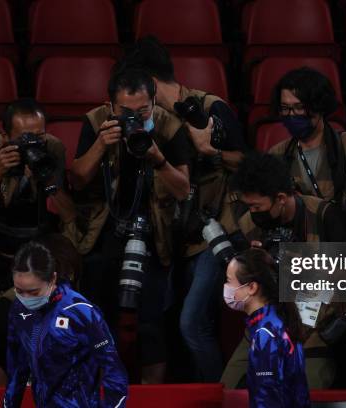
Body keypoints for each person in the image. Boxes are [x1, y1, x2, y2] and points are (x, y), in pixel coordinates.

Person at [123, 36, 247, 381]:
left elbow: (250, 163)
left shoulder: (209, 108)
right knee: (167, 321)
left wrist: (211, 152)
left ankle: (216, 396)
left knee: (192, 322)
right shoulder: (151, 121)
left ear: (149, 79)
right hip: (172, 234)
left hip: (214, 231)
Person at [70, 67, 191, 383]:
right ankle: (100, 389)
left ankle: (153, 396)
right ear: (110, 107)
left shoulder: (170, 126)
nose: (135, 118)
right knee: (97, 317)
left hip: (154, 230)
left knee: (151, 322)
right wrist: (100, 145)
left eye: (143, 110)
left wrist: (158, 158)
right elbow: (77, 180)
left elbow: (183, 190)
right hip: (105, 229)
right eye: (126, 112)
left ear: (153, 102)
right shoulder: (94, 122)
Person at [221, 153, 346, 390]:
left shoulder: (324, 215)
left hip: (315, 323)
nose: (253, 212)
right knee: (227, 390)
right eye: (249, 205)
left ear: (281, 198)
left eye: (257, 206)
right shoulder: (250, 223)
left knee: (306, 390)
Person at [0, 98, 74, 325]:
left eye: (38, 137)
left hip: (30, 238)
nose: (33, 144)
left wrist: (48, 179)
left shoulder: (52, 149)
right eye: (24, 139)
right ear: (5, 137)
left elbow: (69, 215)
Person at [4, 241, 128, 407]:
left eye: (34, 292)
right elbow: (17, 371)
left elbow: (114, 372)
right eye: (19, 290)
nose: (26, 298)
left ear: (52, 279)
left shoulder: (81, 312)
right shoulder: (18, 310)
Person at [268, 67, 346, 201]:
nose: (291, 114)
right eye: (285, 108)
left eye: (299, 107)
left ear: (320, 107)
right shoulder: (277, 154)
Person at [224, 248, 310, 408]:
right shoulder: (278, 320)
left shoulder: (265, 334)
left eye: (229, 281)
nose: (226, 287)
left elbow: (267, 400)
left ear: (252, 288)